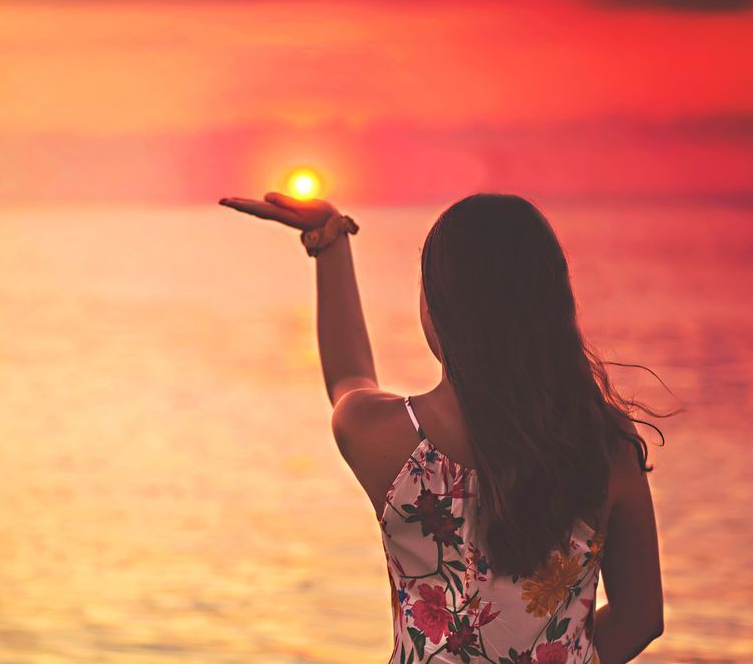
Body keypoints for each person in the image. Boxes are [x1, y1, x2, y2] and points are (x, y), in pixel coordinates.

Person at [218, 192, 667, 664]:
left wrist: (330, 243)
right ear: (553, 306)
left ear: (435, 308)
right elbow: (642, 616)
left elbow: (349, 380)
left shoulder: (390, 442)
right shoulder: (604, 446)